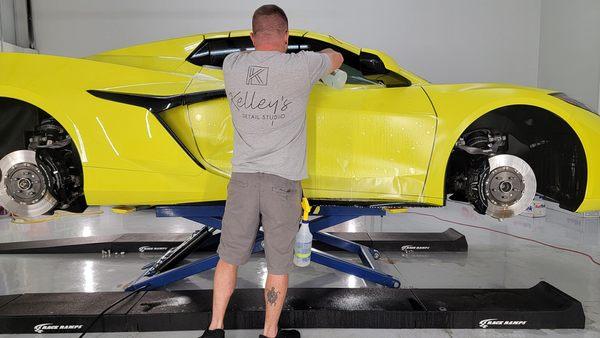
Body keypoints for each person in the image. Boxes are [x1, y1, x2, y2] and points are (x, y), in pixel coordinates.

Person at [200, 4, 343, 338]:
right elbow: (334, 57)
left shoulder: (232, 64)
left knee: (229, 256)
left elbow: (247, 54)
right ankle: (269, 334)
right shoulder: (303, 65)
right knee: (278, 263)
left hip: (244, 180)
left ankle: (215, 328)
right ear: (286, 36)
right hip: (282, 182)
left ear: (252, 36)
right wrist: (313, 53)